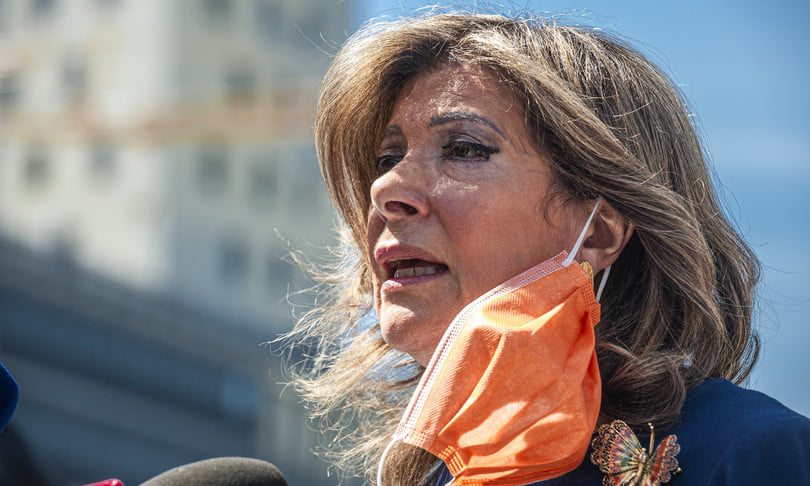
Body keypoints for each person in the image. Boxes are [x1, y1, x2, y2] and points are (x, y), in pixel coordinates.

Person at [284, 11, 810, 486]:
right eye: (387, 158)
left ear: (599, 232)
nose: (385, 189)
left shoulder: (750, 454)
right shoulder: (437, 474)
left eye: (464, 149)